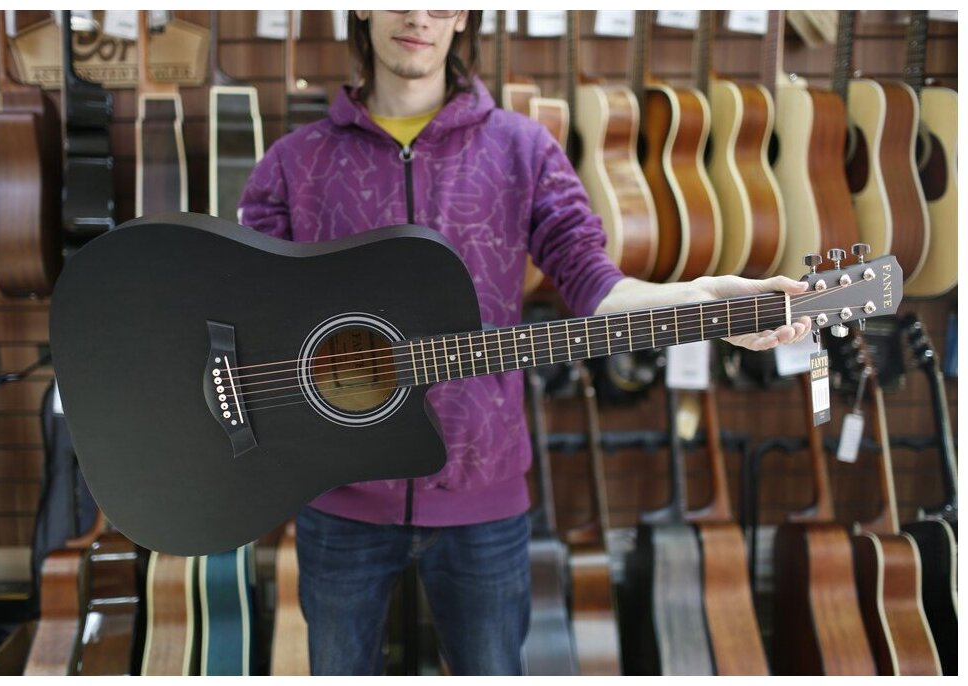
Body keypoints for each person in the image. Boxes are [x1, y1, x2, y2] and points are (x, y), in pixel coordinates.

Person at [239, 10, 811, 676]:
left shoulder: (521, 147)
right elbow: (248, 314)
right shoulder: (296, 161)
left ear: (465, 15)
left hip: (484, 495)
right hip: (340, 499)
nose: (419, 16)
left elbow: (593, 281)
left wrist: (697, 303)